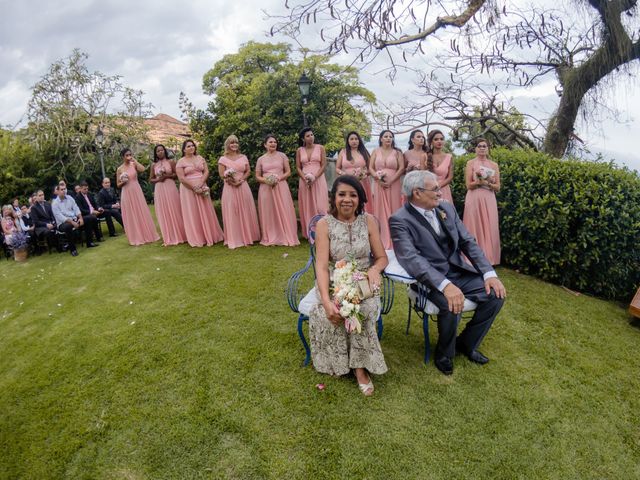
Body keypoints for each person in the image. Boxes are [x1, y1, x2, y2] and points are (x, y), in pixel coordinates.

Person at [389, 170, 506, 375]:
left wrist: (489, 274)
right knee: (453, 306)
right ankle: (444, 354)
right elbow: (411, 259)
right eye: (435, 189)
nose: (440, 193)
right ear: (417, 193)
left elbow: (467, 241)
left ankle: (466, 344)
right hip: (430, 280)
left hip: (458, 272)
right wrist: (445, 285)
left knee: (496, 295)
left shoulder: (447, 209)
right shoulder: (399, 220)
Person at [310, 175, 388, 396]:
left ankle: (360, 368)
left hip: (363, 281)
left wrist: (373, 270)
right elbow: (322, 266)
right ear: (334, 197)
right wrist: (326, 301)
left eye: (353, 195)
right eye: (342, 194)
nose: (347, 199)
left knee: (361, 311)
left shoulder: (369, 221)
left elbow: (382, 257)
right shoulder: (324, 224)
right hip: (336, 280)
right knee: (334, 311)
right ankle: (339, 361)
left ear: (360, 199)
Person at [175, 139, 224, 247]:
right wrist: (194, 187)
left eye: (192, 145)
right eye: (188, 146)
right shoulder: (181, 162)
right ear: (183, 150)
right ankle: (198, 237)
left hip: (202, 185)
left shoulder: (200, 158)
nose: (191, 147)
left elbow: (206, 171)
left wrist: (201, 183)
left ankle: (210, 234)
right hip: (188, 189)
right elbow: (182, 178)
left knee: (206, 210)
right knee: (193, 212)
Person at [255, 134, 299, 246]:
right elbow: (257, 176)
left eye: (274, 142)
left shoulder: (282, 156)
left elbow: (288, 172)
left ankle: (285, 234)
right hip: (266, 188)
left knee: (284, 209)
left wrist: (278, 178)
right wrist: (267, 180)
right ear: (265, 145)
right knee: (268, 212)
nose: (273, 144)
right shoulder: (260, 159)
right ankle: (270, 236)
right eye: (270, 142)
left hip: (281, 186)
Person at [463, 138, 501, 265]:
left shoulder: (494, 165)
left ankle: (490, 258)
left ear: (488, 148)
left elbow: (498, 187)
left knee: (490, 224)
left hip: (489, 198)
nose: (482, 148)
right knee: (474, 225)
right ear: (475, 148)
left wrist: (488, 183)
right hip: (474, 197)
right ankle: (472, 257)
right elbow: (468, 185)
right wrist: (478, 182)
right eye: (479, 146)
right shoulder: (470, 163)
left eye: (485, 146)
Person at [218, 135, 260, 249]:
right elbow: (222, 174)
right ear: (228, 144)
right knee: (233, 211)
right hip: (229, 187)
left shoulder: (243, 157)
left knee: (245, 209)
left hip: (243, 186)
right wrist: (231, 181)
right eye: (232, 143)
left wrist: (240, 180)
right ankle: (235, 237)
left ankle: (248, 236)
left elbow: (248, 171)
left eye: (236, 143)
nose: (234, 145)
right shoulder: (223, 159)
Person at [116, 148, 161, 246]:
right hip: (126, 191)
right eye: (127, 155)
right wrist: (123, 182)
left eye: (130, 154)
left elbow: (143, 169)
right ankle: (136, 236)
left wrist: (135, 161)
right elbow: (118, 185)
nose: (129, 156)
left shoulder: (134, 164)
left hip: (136, 189)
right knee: (131, 213)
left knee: (141, 210)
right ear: (123, 157)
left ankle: (147, 234)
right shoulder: (120, 169)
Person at [369, 130, 404, 249]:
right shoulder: (375, 151)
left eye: (390, 137)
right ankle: (380, 236)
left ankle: (395, 237)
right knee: (379, 209)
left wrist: (391, 180)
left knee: (394, 208)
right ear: (381, 139)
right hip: (379, 185)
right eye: (386, 136)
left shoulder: (397, 153)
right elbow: (370, 167)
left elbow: (401, 168)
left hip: (393, 185)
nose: (388, 138)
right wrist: (377, 178)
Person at [295, 127, 329, 239]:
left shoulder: (320, 148)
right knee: (307, 205)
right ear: (303, 138)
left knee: (321, 205)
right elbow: (298, 167)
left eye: (312, 135)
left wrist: (315, 177)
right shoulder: (300, 150)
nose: (311, 137)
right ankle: (310, 232)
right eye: (308, 136)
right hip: (304, 181)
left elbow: (323, 165)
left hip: (318, 179)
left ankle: (324, 230)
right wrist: (304, 178)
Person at [150, 144, 186, 246]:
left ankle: (181, 234)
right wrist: (158, 179)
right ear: (156, 153)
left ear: (165, 151)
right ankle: (168, 235)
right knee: (163, 211)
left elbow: (177, 175)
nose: (160, 152)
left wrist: (167, 176)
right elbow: (151, 179)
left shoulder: (171, 162)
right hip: (159, 189)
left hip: (170, 186)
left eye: (161, 150)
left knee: (175, 209)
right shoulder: (154, 165)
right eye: (158, 151)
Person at [52, 181, 94, 256]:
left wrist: (80, 218)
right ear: (57, 191)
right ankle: (73, 249)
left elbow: (76, 208)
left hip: (74, 219)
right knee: (68, 226)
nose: (64, 191)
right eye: (61, 189)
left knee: (89, 218)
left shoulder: (70, 198)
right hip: (63, 223)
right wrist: (72, 222)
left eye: (64, 189)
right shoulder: (55, 203)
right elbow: (60, 217)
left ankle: (89, 243)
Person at [335, 131, 374, 214]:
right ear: (348, 141)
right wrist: (344, 174)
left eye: (356, 139)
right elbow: (337, 168)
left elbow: (370, 169)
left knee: (362, 203)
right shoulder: (343, 152)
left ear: (359, 141)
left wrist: (363, 174)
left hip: (362, 182)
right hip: (347, 182)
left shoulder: (364, 152)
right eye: (351, 139)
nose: (354, 141)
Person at [426, 130, 454, 203]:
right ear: (431, 142)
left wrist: (439, 186)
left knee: (445, 212)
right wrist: (433, 187)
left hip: (444, 189)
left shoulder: (449, 157)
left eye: (441, 139)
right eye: (436, 139)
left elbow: (450, 177)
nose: (439, 141)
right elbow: (423, 176)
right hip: (429, 190)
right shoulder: (425, 156)